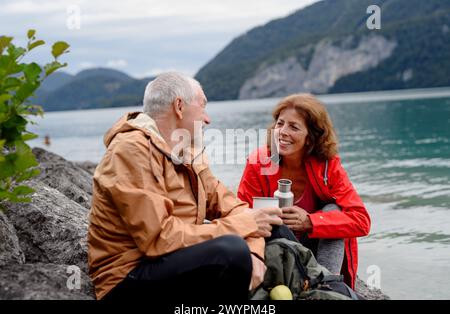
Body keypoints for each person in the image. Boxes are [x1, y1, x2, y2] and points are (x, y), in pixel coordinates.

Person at [87, 72, 282, 301]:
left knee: (274, 225)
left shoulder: (187, 150)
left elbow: (232, 206)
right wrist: (244, 227)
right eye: (203, 107)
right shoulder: (130, 150)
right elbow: (160, 239)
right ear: (179, 106)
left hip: (174, 259)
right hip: (127, 277)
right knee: (230, 251)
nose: (208, 119)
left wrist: (255, 251)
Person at [237, 93, 371, 289]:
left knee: (332, 210)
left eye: (294, 127)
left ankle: (327, 286)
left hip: (315, 251)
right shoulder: (259, 162)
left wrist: (310, 222)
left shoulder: (328, 166)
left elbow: (361, 221)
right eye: (280, 123)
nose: (282, 132)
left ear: (311, 137)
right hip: (274, 247)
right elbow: (241, 214)